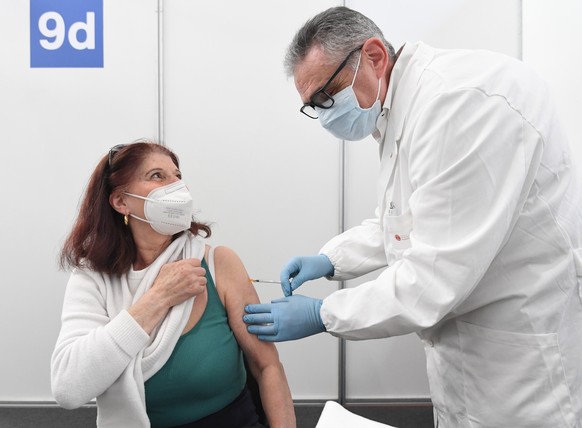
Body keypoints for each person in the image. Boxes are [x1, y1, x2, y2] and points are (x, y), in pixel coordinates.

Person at [243, 6, 582, 427]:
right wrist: (331, 259)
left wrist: (324, 314)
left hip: (519, 363)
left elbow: (433, 277)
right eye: (314, 106)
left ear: (374, 57)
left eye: (326, 97)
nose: (325, 115)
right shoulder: (401, 109)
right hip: (465, 358)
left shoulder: (462, 103)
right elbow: (404, 222)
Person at [52, 140, 296, 428]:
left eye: (177, 176)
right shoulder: (92, 278)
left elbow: (267, 366)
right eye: (157, 176)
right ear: (121, 202)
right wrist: (158, 297)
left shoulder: (219, 263)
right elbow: (68, 389)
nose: (177, 187)